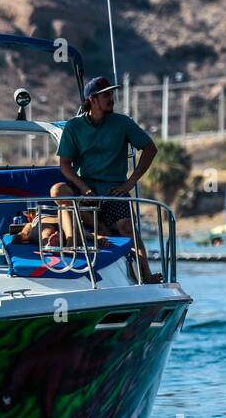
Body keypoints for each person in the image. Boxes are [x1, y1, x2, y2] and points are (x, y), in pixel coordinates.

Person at [57, 77, 160, 282]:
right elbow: (65, 165)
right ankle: (83, 238)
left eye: (111, 94)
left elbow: (150, 149)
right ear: (92, 100)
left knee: (127, 228)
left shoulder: (123, 123)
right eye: (106, 95)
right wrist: (83, 187)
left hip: (115, 191)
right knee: (58, 190)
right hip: (84, 190)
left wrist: (130, 183)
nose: (111, 99)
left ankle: (145, 274)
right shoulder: (73, 126)